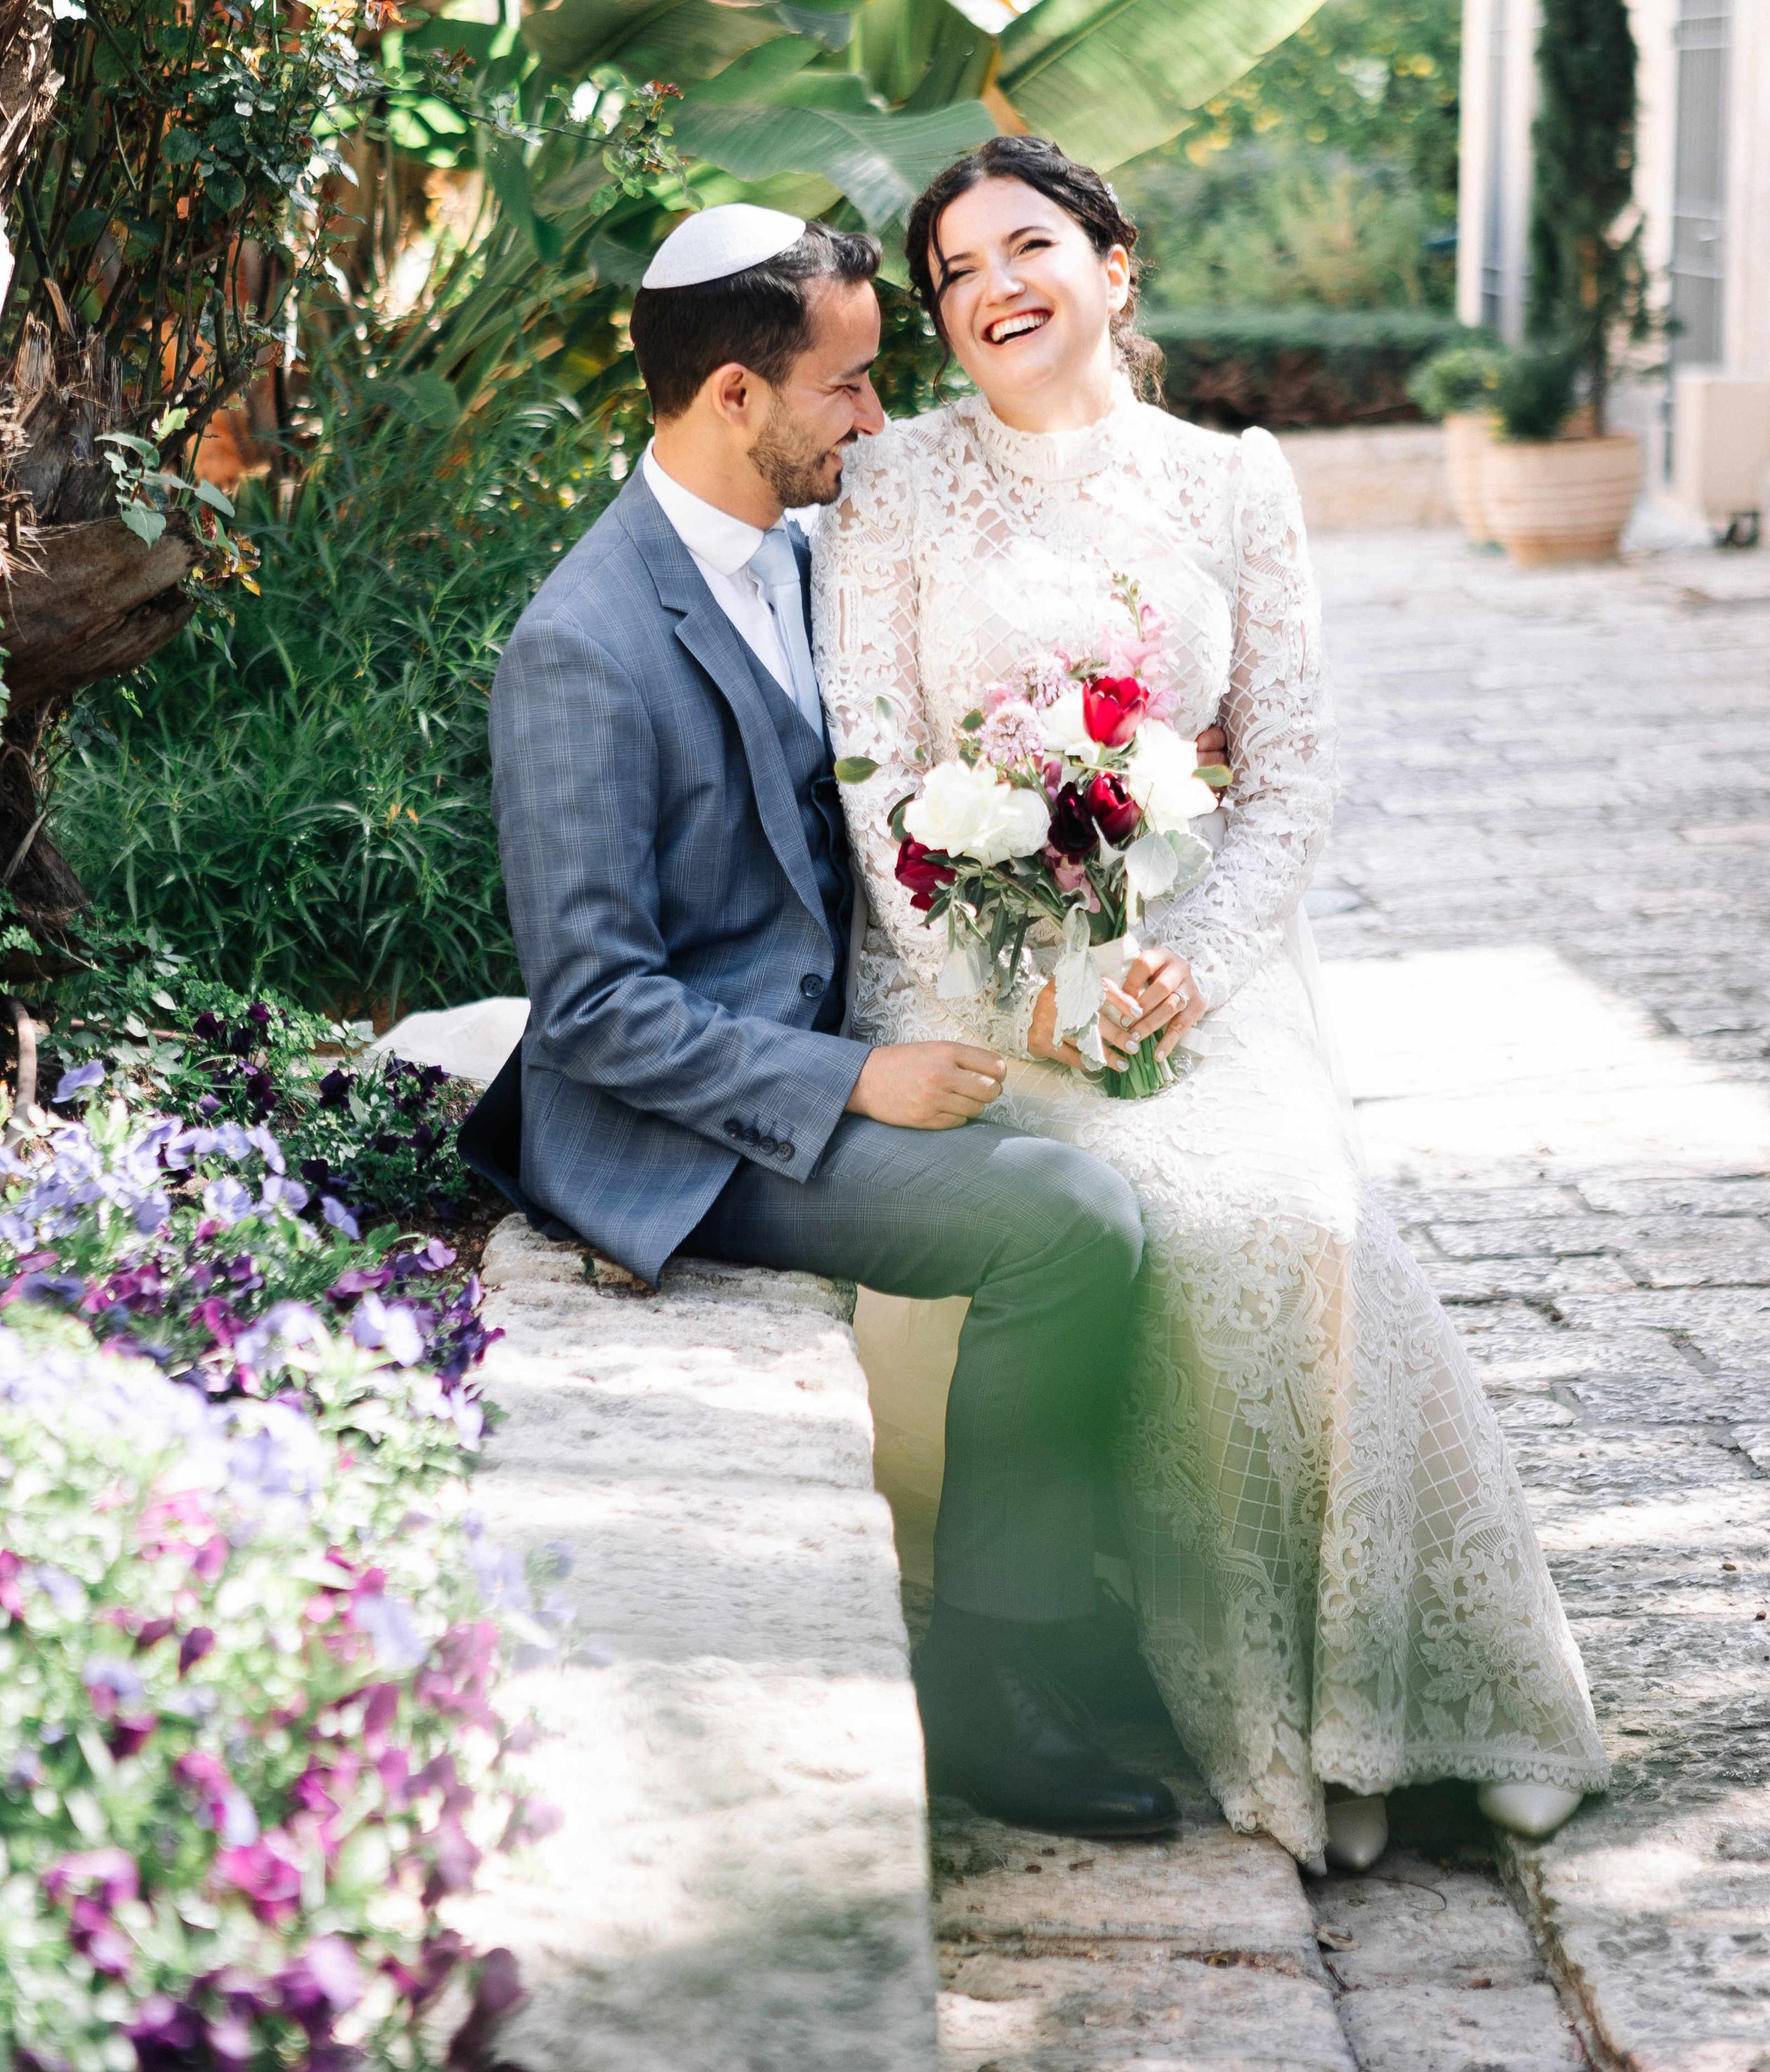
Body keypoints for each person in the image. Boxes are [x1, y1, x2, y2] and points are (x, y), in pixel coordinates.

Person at [812, 136, 1610, 1871]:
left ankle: (1431, 1693)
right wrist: (1016, 997)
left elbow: (1293, 774)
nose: (988, 288)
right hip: (969, 971)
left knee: (1300, 1222)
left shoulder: (1233, 482)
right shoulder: (894, 491)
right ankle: (1275, 1731)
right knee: (1178, 1219)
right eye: (951, 272)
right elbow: (874, 774)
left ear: (1114, 266)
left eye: (1025, 245)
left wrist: (1202, 963)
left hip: (1189, 962)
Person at [486, 202, 1182, 1840]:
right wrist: (854, 1075)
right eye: (848, 389)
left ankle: (1085, 1622)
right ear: (734, 396)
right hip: (677, 1130)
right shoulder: (578, 647)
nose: (876, 420)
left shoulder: (813, 554)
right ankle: (989, 1686)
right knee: (1064, 1222)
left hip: (847, 1042)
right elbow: (589, 1007)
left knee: (1151, 1149)